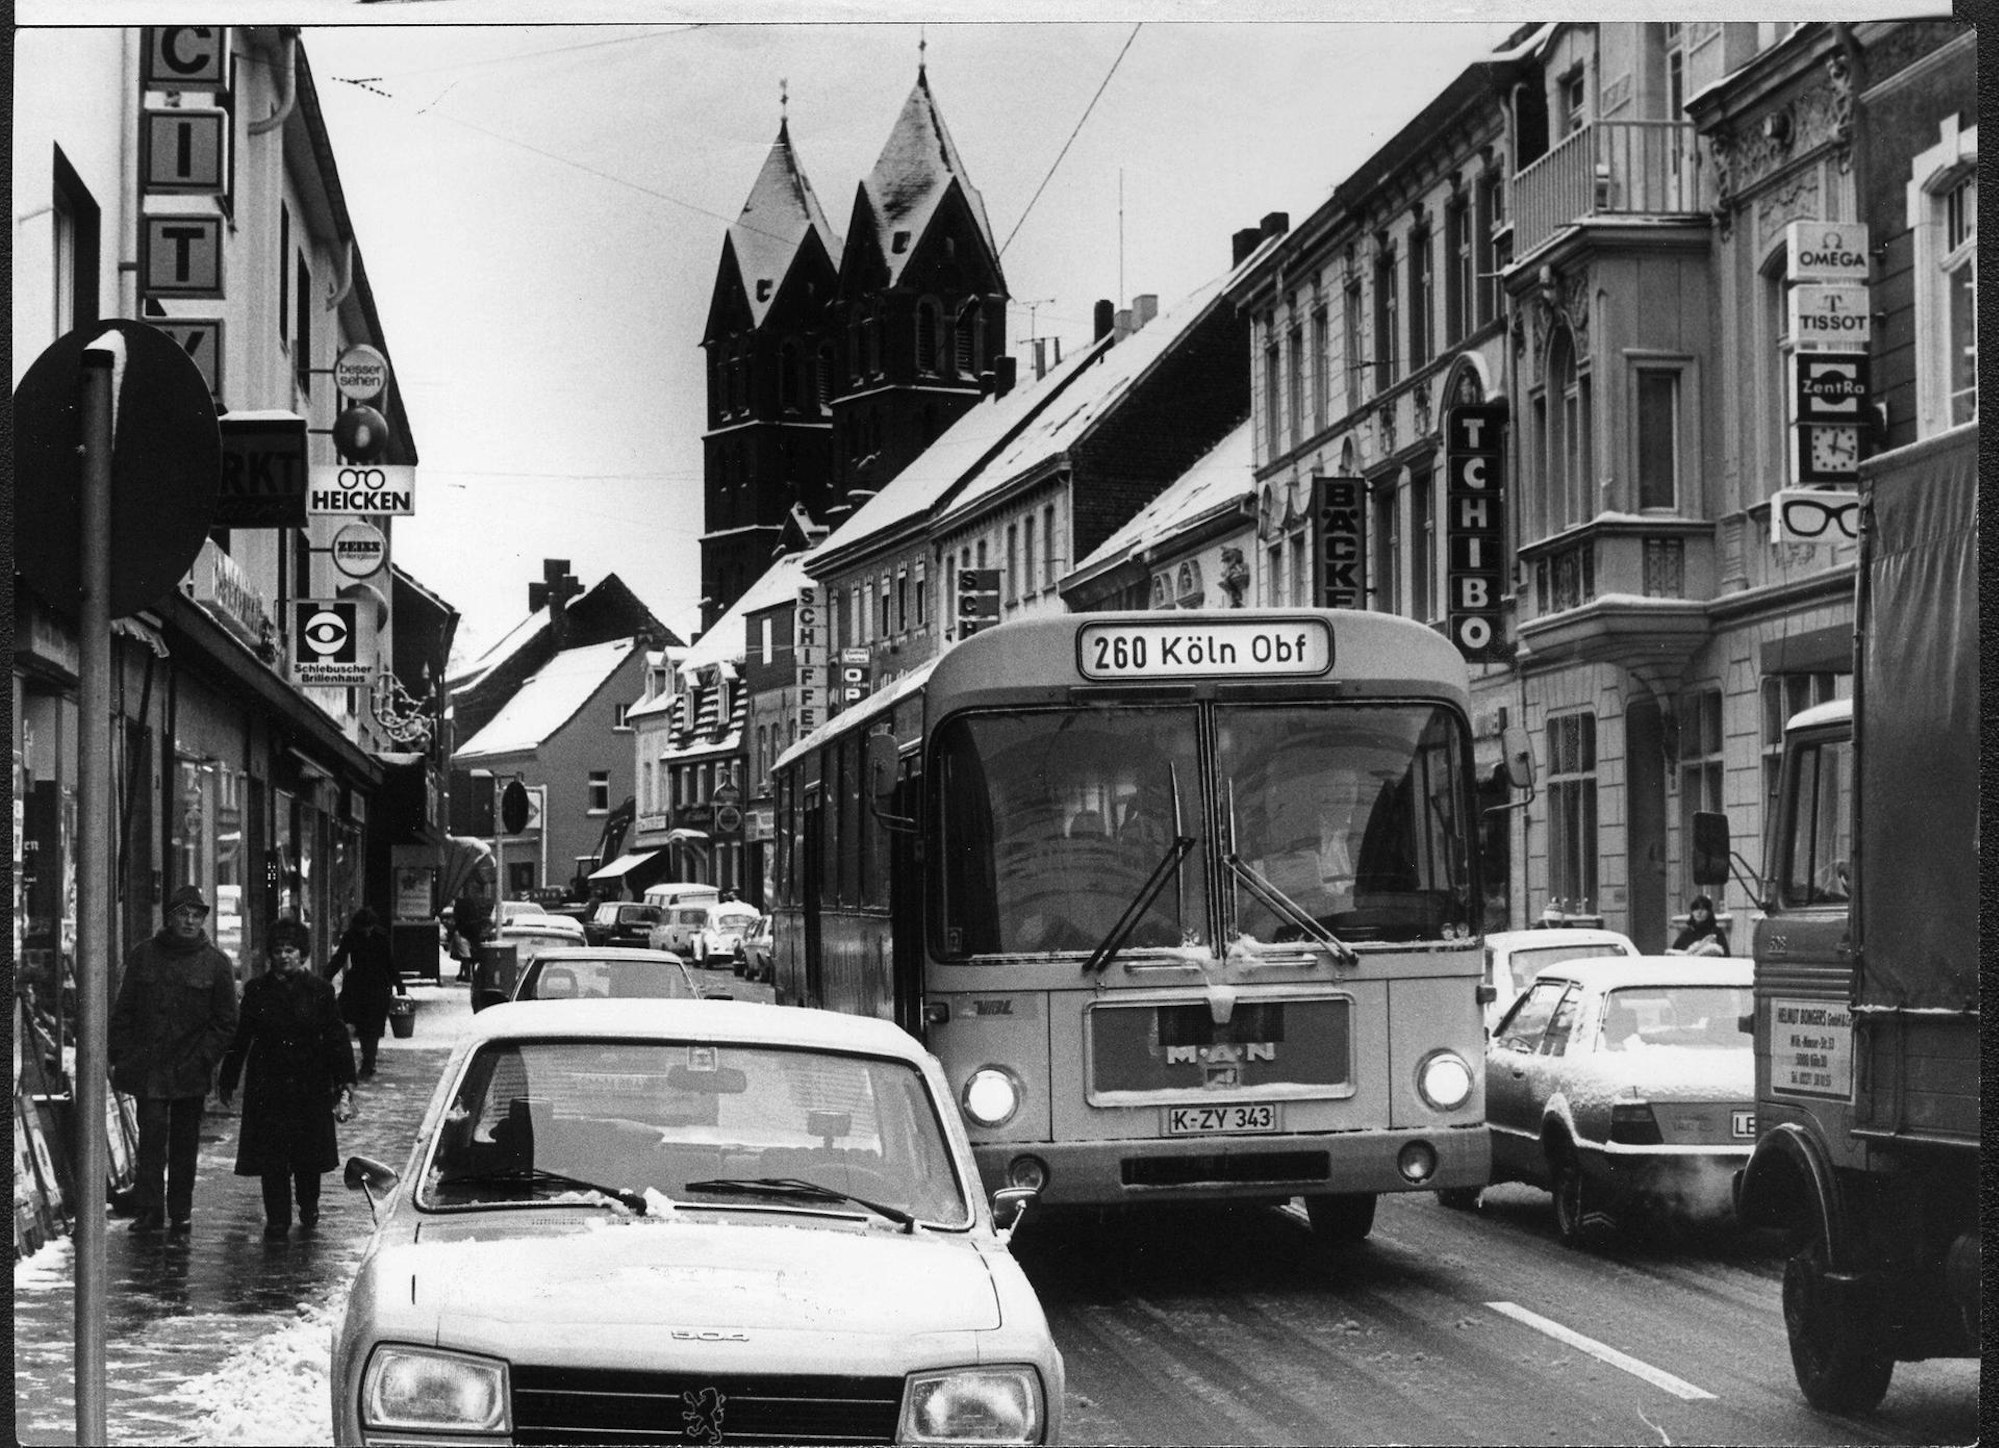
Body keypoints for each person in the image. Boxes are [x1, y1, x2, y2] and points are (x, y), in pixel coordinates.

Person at [108, 884, 240, 1235]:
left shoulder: (216, 963)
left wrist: (205, 1057)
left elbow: (227, 1021)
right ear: (170, 917)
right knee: (151, 1140)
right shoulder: (144, 955)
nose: (190, 921)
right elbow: (124, 1010)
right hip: (149, 1067)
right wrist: (119, 1053)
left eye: (197, 915)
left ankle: (180, 1210)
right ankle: (149, 1209)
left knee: (185, 1143)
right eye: (184, 913)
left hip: (190, 1069)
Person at [217, 919, 357, 1239]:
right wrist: (228, 1076)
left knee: (307, 1156)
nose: (283, 956)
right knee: (272, 1156)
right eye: (278, 951)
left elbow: (336, 1037)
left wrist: (345, 1081)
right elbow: (243, 1037)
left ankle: (308, 1204)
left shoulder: (320, 991)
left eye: (290, 950)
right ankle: (277, 1217)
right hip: (269, 1084)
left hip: (310, 1082)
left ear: (302, 954)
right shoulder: (256, 990)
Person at [327, 906, 405, 1078]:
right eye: (363, 927)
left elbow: (389, 961)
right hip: (358, 985)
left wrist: (398, 983)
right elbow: (340, 957)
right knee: (362, 1026)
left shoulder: (381, 936)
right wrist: (326, 976)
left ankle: (369, 1062)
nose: (366, 931)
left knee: (374, 1026)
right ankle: (366, 1060)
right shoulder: (350, 936)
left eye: (369, 927)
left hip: (378, 985)